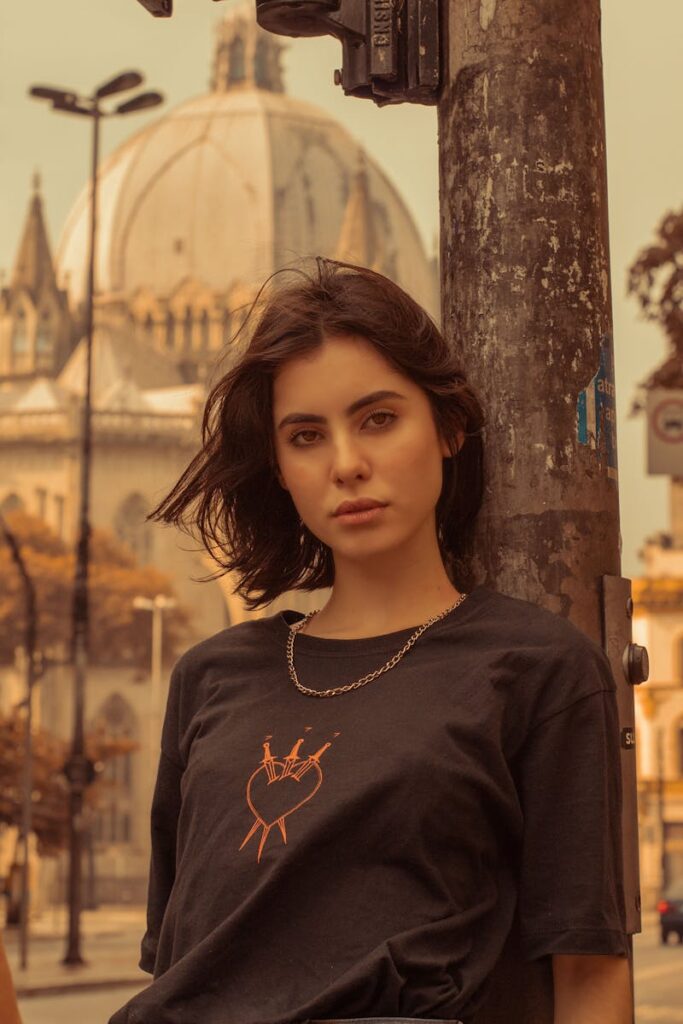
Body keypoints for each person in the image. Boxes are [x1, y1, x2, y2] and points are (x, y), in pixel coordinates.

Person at [109, 258, 630, 1024]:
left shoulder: (536, 670)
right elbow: (184, 964)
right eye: (306, 436)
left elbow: (587, 978)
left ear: (447, 427)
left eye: (378, 419)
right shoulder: (209, 676)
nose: (346, 465)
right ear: (280, 468)